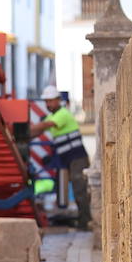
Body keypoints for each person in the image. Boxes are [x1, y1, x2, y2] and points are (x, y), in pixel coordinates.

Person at [31, 85, 90, 229]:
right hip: (67, 159)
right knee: (72, 189)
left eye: (51, 101)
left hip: (77, 158)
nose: (48, 104)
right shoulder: (53, 115)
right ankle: (83, 220)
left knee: (79, 189)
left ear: (58, 100)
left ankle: (85, 222)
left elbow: (45, 125)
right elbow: (39, 131)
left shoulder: (63, 113)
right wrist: (22, 136)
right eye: (46, 101)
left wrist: (25, 131)